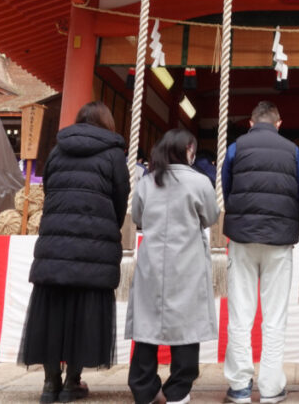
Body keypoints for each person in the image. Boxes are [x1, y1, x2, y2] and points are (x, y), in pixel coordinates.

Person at [20, 101, 130, 404]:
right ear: (107, 122)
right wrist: (108, 225)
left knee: (52, 313)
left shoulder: (57, 151)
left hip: (55, 244)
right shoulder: (113, 155)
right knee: (83, 313)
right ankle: (72, 383)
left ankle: (49, 383)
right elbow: (121, 200)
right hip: (94, 244)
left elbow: (50, 192)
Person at [221, 101, 299, 404]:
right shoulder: (292, 150)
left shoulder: (235, 148)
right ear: (279, 123)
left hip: (242, 239)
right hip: (279, 241)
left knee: (240, 314)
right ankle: (270, 387)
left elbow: (227, 189)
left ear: (250, 122)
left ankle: (240, 385)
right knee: (274, 317)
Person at [126, 128, 220, 404]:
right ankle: (178, 389)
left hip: (152, 259)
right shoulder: (200, 182)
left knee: (147, 323)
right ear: (187, 150)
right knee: (187, 326)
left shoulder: (147, 182)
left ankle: (143, 387)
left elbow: (138, 216)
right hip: (188, 260)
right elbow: (211, 216)